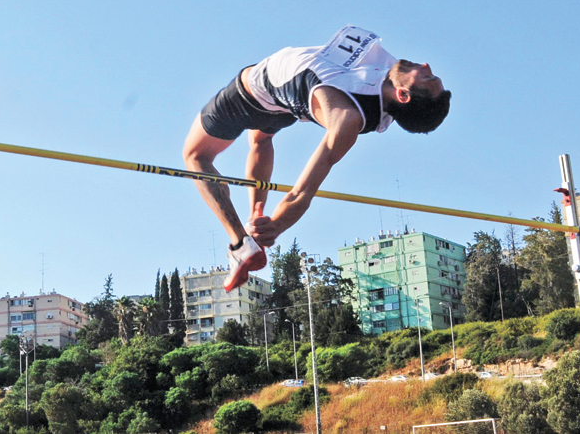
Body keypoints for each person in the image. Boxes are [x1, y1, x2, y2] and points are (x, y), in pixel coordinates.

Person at [182, 25, 451, 292]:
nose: (426, 65)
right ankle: (256, 218)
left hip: (251, 94)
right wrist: (268, 225)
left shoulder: (347, 119)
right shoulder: (393, 74)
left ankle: (240, 243)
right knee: (261, 139)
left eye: (428, 77)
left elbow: (302, 192)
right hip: (283, 104)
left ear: (403, 95)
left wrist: (277, 226)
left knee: (196, 157)